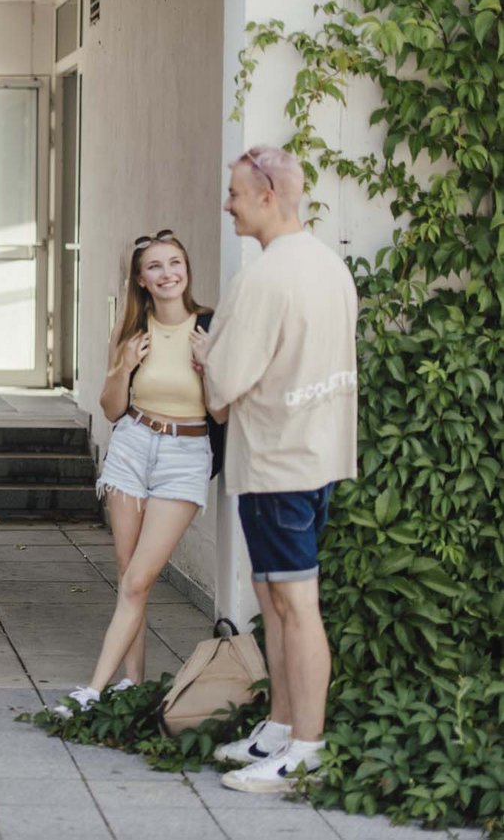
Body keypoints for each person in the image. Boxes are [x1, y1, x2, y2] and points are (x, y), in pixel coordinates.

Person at [194, 145, 358, 794]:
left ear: (266, 196)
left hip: (276, 461)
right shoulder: (328, 266)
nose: (227, 203)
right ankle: (282, 727)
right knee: (277, 599)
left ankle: (306, 748)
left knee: (295, 605)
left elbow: (223, 387)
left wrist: (207, 354)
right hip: (314, 454)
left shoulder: (262, 280)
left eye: (234, 192)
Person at [50, 229, 225, 717]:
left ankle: (92, 689)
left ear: (186, 269)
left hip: (185, 455)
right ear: (141, 279)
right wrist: (120, 368)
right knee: (129, 574)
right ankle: (133, 681)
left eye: (175, 263)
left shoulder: (208, 327)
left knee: (138, 579)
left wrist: (210, 366)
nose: (168, 273)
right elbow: (111, 409)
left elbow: (224, 415)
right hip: (132, 445)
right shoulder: (131, 329)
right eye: (155, 267)